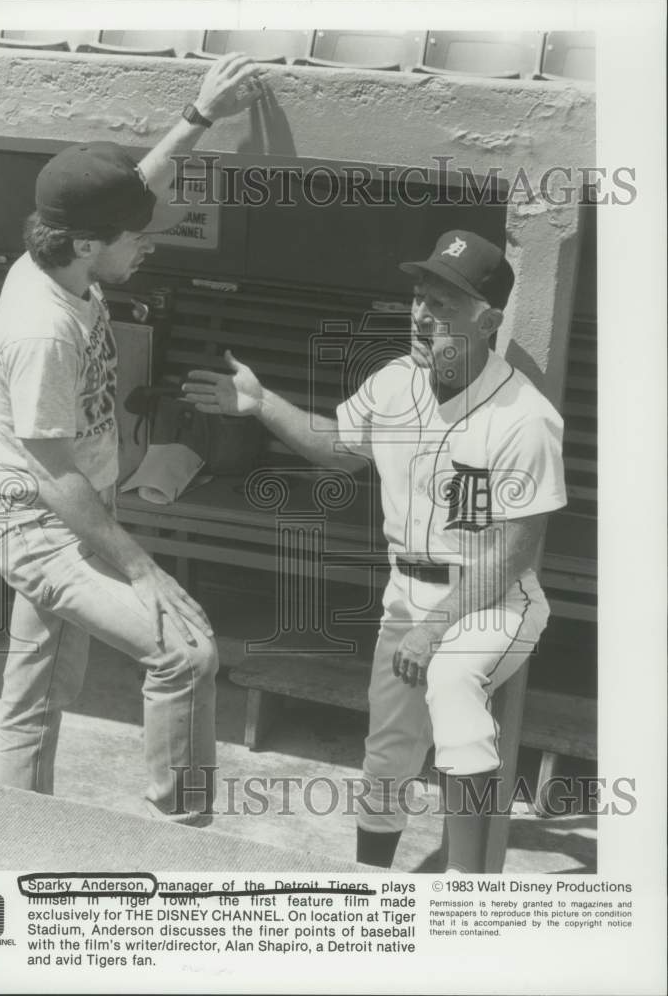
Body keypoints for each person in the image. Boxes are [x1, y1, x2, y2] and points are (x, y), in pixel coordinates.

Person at [183, 229, 567, 868]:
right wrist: (260, 405)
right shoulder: (397, 382)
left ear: (488, 319)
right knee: (388, 751)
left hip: (496, 599)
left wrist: (437, 629)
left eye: (444, 303)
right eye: (420, 295)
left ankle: (468, 899)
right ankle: (370, 883)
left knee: (453, 689)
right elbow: (339, 449)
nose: (422, 313)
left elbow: (514, 555)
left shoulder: (523, 417)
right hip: (408, 591)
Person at [0, 53, 260, 824]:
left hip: (74, 510)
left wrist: (198, 116)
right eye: (135, 238)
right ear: (84, 245)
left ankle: (12, 829)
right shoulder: (42, 330)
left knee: (33, 692)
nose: (148, 244)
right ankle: (185, 830)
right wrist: (138, 568)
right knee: (185, 651)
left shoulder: (63, 255)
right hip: (44, 524)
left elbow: (135, 186)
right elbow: (50, 467)